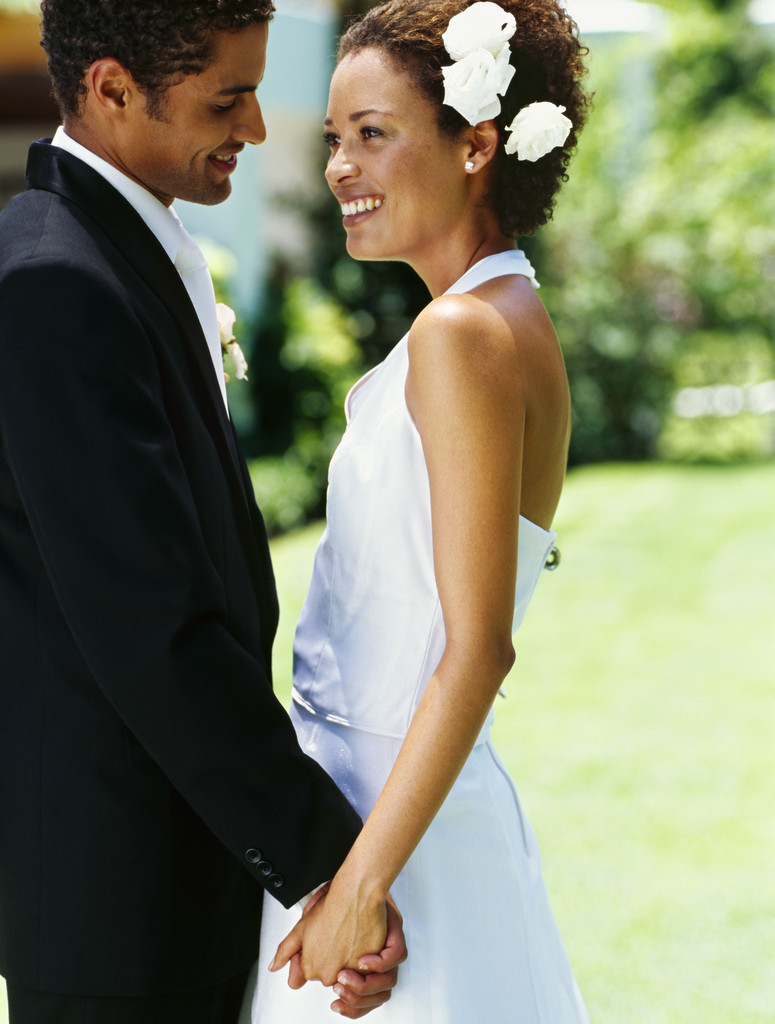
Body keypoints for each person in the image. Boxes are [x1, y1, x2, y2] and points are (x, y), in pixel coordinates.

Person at [0, 2, 405, 1022]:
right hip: (112, 901)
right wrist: (331, 860)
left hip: (176, 874)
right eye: (228, 98)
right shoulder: (53, 281)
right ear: (111, 89)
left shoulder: (120, 248)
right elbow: (153, 625)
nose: (259, 129)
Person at [247, 0, 591, 1020]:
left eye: (372, 134)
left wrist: (357, 885)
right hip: (395, 810)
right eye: (332, 140)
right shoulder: (506, 313)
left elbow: (477, 647)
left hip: (397, 834)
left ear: (476, 144)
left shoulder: (463, 337)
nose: (338, 169)